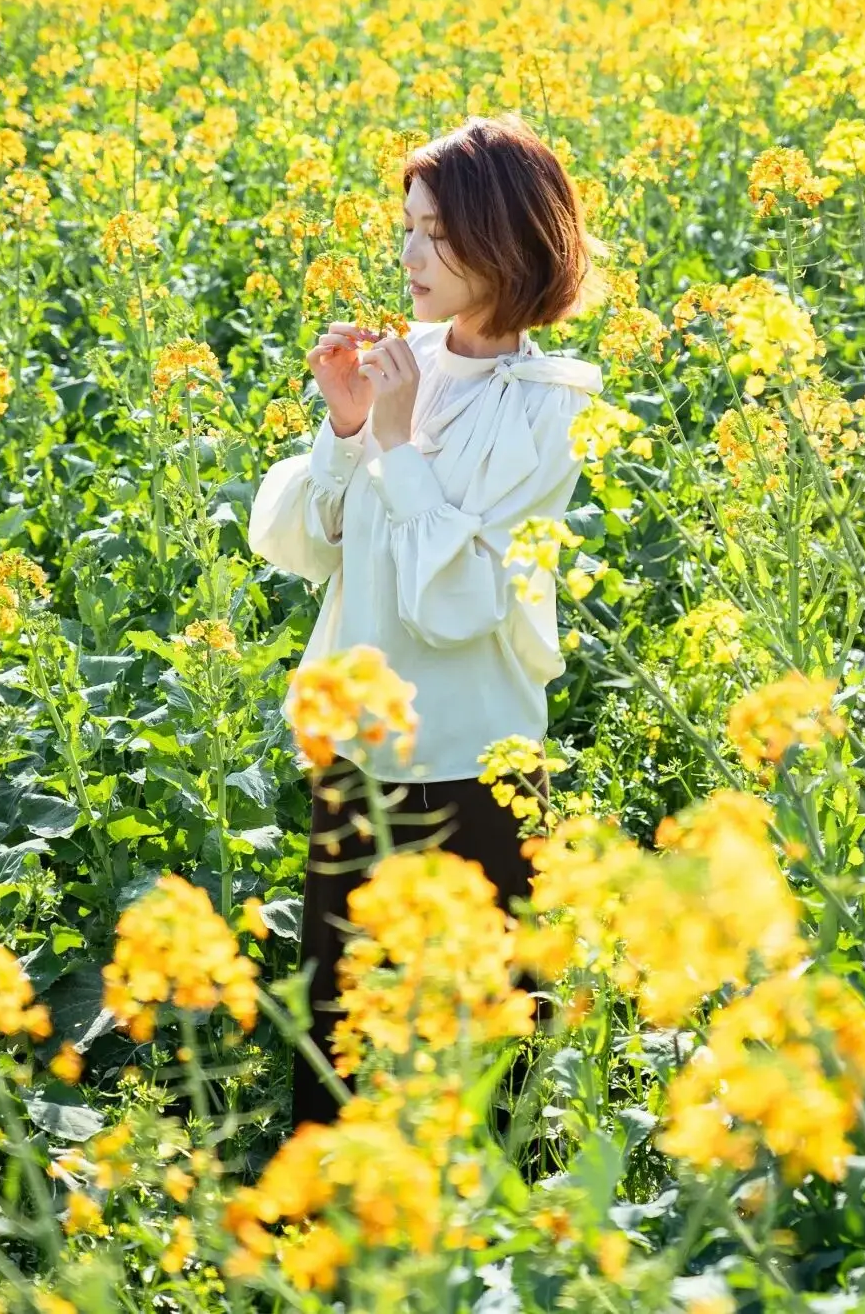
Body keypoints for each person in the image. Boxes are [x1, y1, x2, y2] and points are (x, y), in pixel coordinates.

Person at [247, 113, 604, 1131]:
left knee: (484, 1049)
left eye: (436, 232)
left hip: (474, 757)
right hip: (360, 746)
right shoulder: (397, 358)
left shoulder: (552, 407)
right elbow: (310, 540)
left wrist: (397, 445)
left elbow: (465, 601)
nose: (409, 255)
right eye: (406, 227)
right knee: (343, 1031)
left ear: (507, 239)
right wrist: (349, 423)